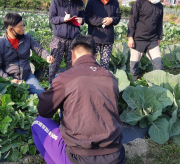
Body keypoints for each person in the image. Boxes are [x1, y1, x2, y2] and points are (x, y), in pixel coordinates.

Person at [32, 34, 125, 164]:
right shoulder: (111, 78)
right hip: (115, 157)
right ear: (95, 56)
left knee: (38, 123)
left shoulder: (65, 78)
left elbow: (44, 110)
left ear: (73, 54)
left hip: (80, 158)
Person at [0, 13, 54, 96]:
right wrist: (7, 79)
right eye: (20, 26)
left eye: (23, 25)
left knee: (42, 95)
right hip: (9, 79)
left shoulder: (27, 38)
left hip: (27, 76)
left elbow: (39, 50)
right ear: (10, 29)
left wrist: (47, 56)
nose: (23, 29)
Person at [48, 0, 85, 83]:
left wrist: (82, 20)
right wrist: (63, 19)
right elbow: (52, 18)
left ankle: (70, 86)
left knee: (72, 65)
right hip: (58, 38)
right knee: (54, 64)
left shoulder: (79, 3)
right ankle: (51, 85)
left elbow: (83, 16)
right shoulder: (56, 1)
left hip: (73, 39)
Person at [127, 0, 166, 81]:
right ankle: (134, 83)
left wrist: (158, 38)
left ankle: (157, 84)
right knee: (133, 65)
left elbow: (159, 23)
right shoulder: (139, 4)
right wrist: (130, 37)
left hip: (152, 40)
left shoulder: (160, 7)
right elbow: (132, 21)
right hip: (138, 39)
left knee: (159, 64)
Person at [85, 0, 121, 70]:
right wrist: (101, 21)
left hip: (108, 39)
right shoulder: (92, 1)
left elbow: (118, 17)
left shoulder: (115, 3)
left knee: (105, 65)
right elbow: (87, 18)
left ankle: (102, 82)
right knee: (91, 63)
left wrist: (112, 20)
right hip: (94, 37)